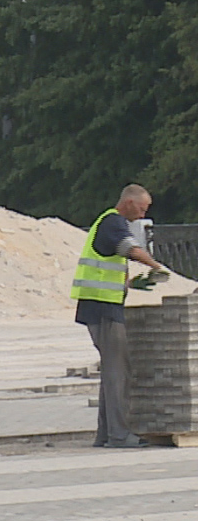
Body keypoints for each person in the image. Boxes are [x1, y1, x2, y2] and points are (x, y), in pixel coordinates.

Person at [72, 184, 168, 448]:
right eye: (142, 207)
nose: (142, 213)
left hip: (101, 306)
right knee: (117, 373)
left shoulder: (108, 223)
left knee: (112, 372)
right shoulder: (113, 222)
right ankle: (119, 435)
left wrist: (132, 285)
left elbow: (107, 267)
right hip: (103, 309)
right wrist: (158, 267)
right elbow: (131, 250)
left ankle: (106, 434)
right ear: (128, 202)